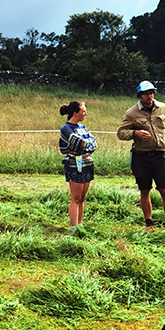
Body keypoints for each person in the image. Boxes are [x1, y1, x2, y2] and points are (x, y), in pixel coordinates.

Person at [117, 80, 165, 230]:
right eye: (145, 94)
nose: (149, 96)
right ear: (140, 96)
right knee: (144, 190)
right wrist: (135, 133)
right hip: (141, 156)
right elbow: (121, 133)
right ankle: (149, 223)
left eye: (151, 93)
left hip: (159, 155)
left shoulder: (164, 108)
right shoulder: (131, 113)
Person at [58, 100, 97, 234]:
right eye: (83, 111)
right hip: (74, 165)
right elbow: (78, 143)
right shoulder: (66, 128)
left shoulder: (83, 128)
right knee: (76, 197)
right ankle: (74, 227)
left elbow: (93, 143)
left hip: (87, 164)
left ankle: (80, 224)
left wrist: (85, 144)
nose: (85, 113)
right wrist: (86, 144)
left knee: (82, 198)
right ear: (75, 113)